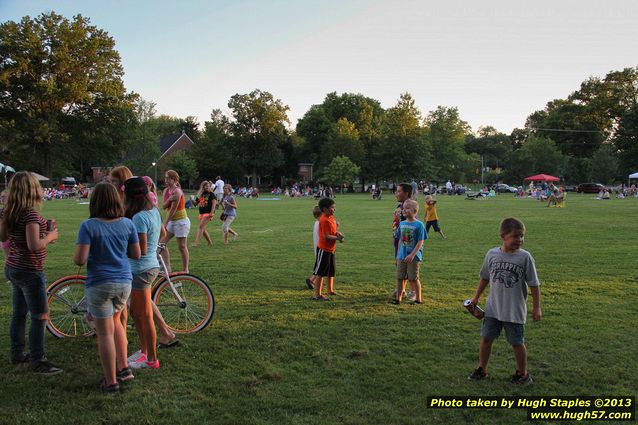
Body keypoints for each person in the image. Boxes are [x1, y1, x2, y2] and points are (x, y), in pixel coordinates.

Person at [73, 182, 141, 393]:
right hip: (123, 282)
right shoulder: (128, 224)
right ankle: (124, 368)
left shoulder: (89, 226)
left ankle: (111, 381)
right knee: (117, 323)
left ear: (95, 202)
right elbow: (136, 255)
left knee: (104, 334)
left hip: (99, 283)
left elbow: (80, 260)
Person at [0, 172, 62, 375]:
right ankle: (38, 360)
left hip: (13, 267)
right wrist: (50, 236)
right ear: (32, 190)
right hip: (30, 270)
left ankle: (17, 353)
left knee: (19, 313)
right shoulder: (30, 214)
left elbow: (3, 236)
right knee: (39, 315)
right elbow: (34, 245)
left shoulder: (8, 212)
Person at [467, 218, 541, 385]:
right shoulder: (492, 254)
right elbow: (485, 277)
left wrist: (537, 307)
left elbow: (534, 284)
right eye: (515, 236)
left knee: (516, 342)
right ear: (503, 236)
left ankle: (522, 373)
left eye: (522, 236)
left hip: (514, 310)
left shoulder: (525, 257)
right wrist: (476, 297)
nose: (519, 240)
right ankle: (482, 369)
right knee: (486, 338)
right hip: (493, 307)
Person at [123, 177, 163, 370]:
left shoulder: (139, 217)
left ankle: (151, 359)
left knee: (145, 315)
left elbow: (142, 250)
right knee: (136, 313)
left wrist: (119, 249)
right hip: (145, 268)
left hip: (142, 270)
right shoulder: (153, 211)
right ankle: (144, 351)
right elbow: (162, 234)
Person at [392, 200, 426, 305]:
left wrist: (412, 254)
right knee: (399, 277)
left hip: (414, 257)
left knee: (413, 278)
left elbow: (421, 241)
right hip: (401, 256)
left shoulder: (419, 225)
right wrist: (398, 255)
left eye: (407, 208)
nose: (403, 210)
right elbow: (401, 240)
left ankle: (418, 299)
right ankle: (398, 299)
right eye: (403, 208)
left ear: (414, 210)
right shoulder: (402, 224)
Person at [312, 197, 344, 300]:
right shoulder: (324, 220)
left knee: (331, 271)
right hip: (324, 249)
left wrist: (337, 234)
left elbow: (333, 231)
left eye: (334, 207)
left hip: (331, 249)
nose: (334, 209)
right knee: (320, 272)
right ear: (325, 209)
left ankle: (330, 290)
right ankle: (317, 294)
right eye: (332, 208)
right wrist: (338, 238)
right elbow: (326, 236)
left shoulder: (331, 218)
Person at [161, 170, 190, 273]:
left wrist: (165, 223)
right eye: (165, 178)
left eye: (169, 178)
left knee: (181, 246)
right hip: (172, 221)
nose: (166, 180)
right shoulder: (166, 191)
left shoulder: (177, 191)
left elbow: (173, 209)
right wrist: (169, 200)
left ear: (175, 179)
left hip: (181, 222)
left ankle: (185, 269)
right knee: (161, 244)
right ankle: (166, 268)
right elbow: (164, 206)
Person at [392, 183, 416, 302]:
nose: (396, 193)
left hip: (405, 242)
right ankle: (401, 289)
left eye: (399, 191)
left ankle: (413, 292)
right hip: (397, 240)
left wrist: (404, 244)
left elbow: (410, 225)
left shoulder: (409, 207)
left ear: (406, 193)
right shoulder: (399, 206)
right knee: (400, 266)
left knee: (408, 266)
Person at [193, 180, 216, 247]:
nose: (207, 187)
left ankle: (196, 243)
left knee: (200, 227)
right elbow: (195, 204)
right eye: (205, 185)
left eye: (208, 185)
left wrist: (211, 213)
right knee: (203, 228)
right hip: (202, 213)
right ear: (203, 187)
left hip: (208, 213)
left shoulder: (211, 194)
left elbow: (214, 204)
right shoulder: (201, 195)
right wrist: (192, 200)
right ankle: (210, 242)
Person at [305, 205, 322, 290]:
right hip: (321, 248)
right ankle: (312, 280)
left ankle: (313, 281)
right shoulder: (320, 224)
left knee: (320, 265)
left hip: (318, 247)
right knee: (321, 266)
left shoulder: (316, 223)